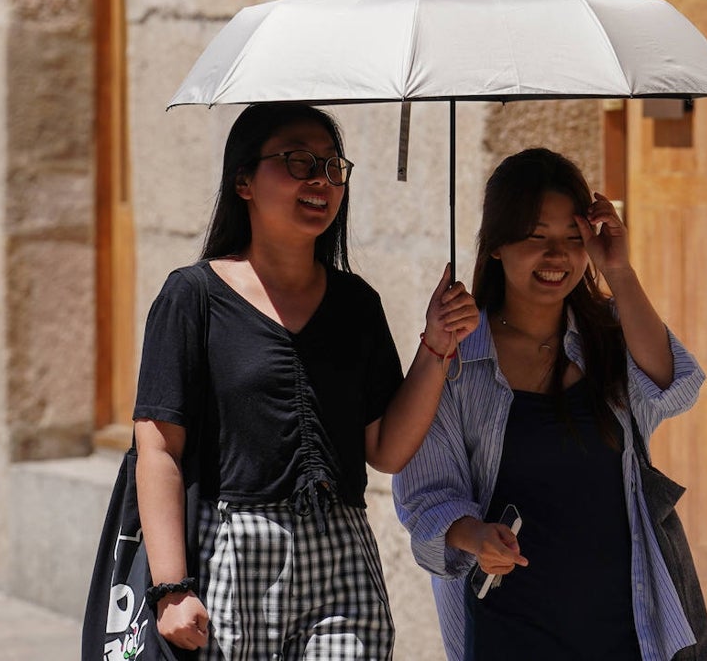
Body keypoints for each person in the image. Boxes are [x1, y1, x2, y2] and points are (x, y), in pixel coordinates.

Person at [134, 103, 478, 661]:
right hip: (235, 551)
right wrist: (171, 588)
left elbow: (386, 450)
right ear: (242, 180)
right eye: (298, 161)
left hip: (342, 546)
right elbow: (157, 447)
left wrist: (436, 345)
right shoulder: (191, 296)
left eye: (332, 166)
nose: (321, 179)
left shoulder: (356, 304)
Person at [392, 148, 707, 661]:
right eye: (536, 237)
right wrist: (476, 537)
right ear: (496, 245)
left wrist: (620, 271)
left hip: (624, 623)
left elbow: (673, 387)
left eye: (571, 238)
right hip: (510, 627)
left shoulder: (609, 335)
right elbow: (425, 497)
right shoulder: (456, 361)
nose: (557, 256)